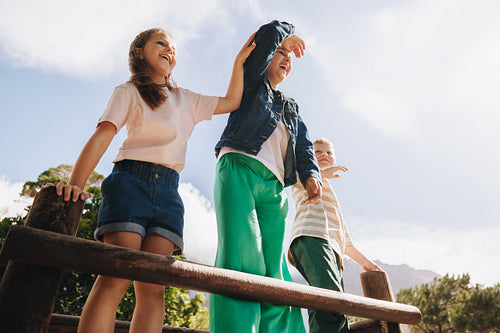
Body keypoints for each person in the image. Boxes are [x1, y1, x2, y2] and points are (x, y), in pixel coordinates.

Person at [50, 28, 255, 333]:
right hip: (130, 181)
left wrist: (239, 61)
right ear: (139, 51)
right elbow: (103, 136)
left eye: (173, 48)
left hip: (169, 193)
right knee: (116, 275)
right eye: (161, 43)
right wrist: (76, 183)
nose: (169, 50)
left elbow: (232, 101)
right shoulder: (128, 91)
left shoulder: (187, 99)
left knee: (153, 287)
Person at [210, 20, 322, 333]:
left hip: (275, 188)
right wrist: (289, 33)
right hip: (239, 168)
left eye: (291, 55)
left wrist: (311, 174)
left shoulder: (292, 107)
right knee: (242, 256)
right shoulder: (251, 83)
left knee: (275, 268)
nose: (287, 58)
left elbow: (304, 146)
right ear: (265, 55)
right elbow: (268, 35)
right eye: (280, 52)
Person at [288, 137, 383, 333]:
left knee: (325, 302)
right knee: (333, 302)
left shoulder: (332, 196)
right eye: (318, 152)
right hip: (312, 238)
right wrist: (320, 173)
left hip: (332, 250)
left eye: (329, 152)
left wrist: (368, 264)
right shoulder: (309, 177)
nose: (324, 155)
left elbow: (345, 242)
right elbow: (294, 180)